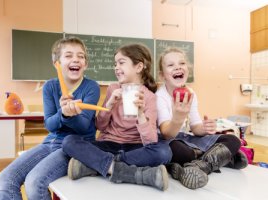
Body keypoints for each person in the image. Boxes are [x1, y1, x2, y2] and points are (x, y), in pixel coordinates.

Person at [0, 37, 100, 200]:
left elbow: (82, 127)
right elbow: (50, 125)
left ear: (85, 64)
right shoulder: (50, 86)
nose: (76, 59)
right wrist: (63, 114)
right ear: (56, 63)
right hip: (50, 142)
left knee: (34, 183)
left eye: (81, 56)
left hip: (76, 147)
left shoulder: (91, 87)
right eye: (68, 55)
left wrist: (69, 115)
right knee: (5, 180)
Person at [62, 44, 171, 191]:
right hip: (108, 144)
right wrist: (110, 104)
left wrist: (140, 114)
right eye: (115, 64)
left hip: (134, 148)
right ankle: (127, 172)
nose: (116, 67)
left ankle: (98, 166)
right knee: (69, 141)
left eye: (121, 62)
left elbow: (150, 141)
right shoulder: (113, 89)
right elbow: (100, 126)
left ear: (138, 67)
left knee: (164, 152)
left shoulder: (150, 97)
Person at [156, 47, 248, 189]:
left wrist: (204, 128)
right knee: (178, 150)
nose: (177, 67)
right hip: (170, 140)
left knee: (233, 140)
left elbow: (195, 127)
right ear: (162, 75)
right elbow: (167, 133)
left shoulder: (190, 93)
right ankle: (223, 158)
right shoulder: (159, 96)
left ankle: (200, 166)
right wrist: (178, 118)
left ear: (187, 69)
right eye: (171, 65)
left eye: (181, 63)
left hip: (187, 138)